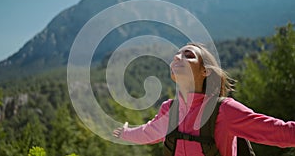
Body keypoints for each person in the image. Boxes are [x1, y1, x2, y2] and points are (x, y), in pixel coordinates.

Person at [113, 43, 295, 156]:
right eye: (177, 54)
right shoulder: (169, 109)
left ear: (205, 71)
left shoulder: (225, 111)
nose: (177, 57)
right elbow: (148, 133)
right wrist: (125, 132)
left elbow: (280, 132)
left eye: (189, 55)